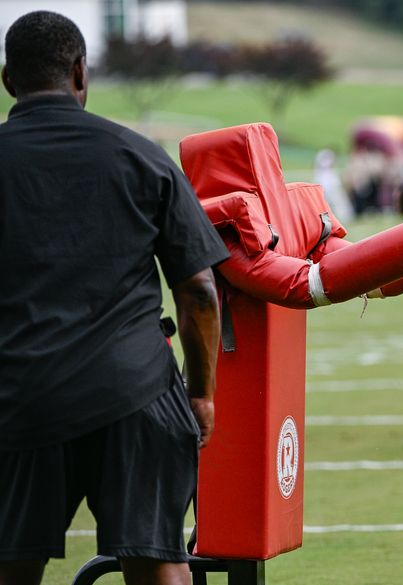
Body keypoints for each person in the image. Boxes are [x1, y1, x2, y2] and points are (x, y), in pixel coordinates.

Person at [0, 11, 229, 585]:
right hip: (134, 391)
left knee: (11, 564)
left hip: (20, 394)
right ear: (81, 73)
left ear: (8, 79)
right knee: (157, 561)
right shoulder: (138, 154)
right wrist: (201, 396)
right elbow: (199, 289)